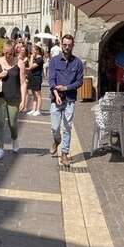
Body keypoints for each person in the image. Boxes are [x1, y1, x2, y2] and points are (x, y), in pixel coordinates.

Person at [48, 34, 84, 167]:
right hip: (55, 98)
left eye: (69, 45)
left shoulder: (78, 63)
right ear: (61, 44)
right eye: (64, 44)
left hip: (70, 99)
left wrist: (67, 87)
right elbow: (51, 80)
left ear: (73, 46)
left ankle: (64, 154)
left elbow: (79, 81)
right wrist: (57, 94)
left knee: (67, 127)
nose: (67, 47)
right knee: (54, 127)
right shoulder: (54, 61)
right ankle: (56, 141)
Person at [0, 40, 27, 160]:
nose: (7, 56)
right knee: (0, 122)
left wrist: (23, 100)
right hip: (0, 97)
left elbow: (23, 83)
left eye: (9, 53)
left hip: (14, 97)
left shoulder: (19, 63)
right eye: (4, 53)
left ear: (14, 52)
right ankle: (0, 148)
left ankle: (14, 139)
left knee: (13, 123)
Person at [26, 43, 44, 116]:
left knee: (38, 94)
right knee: (34, 94)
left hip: (37, 77)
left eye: (33, 49)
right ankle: (33, 109)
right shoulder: (35, 58)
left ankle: (38, 110)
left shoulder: (40, 59)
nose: (32, 50)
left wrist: (31, 58)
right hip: (32, 77)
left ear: (37, 50)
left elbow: (30, 67)